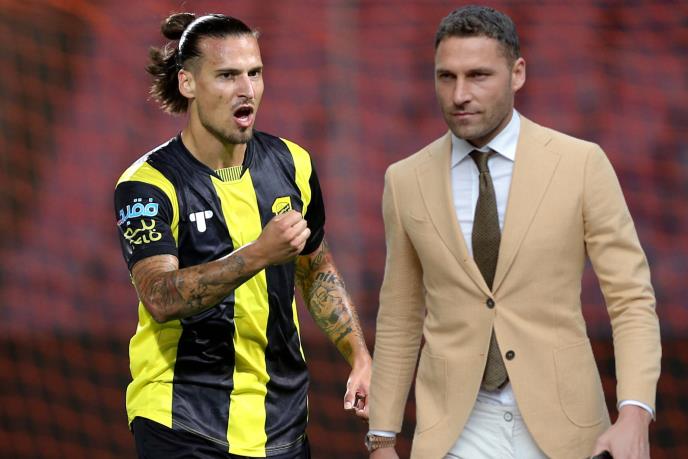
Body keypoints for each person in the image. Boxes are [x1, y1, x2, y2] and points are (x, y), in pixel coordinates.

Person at [366, 5, 660, 459]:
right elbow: (400, 316)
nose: (460, 94)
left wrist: (635, 413)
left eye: (478, 76)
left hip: (566, 428)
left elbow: (630, 299)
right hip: (454, 431)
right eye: (446, 77)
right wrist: (382, 438)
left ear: (517, 73)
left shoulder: (581, 164)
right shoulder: (405, 180)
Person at [113, 13, 371, 459]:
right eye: (227, 75)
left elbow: (315, 268)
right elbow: (160, 296)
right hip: (181, 418)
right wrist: (259, 253)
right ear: (188, 83)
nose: (246, 89)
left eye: (255, 73)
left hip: (281, 422)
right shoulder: (148, 185)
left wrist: (360, 357)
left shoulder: (293, 164)